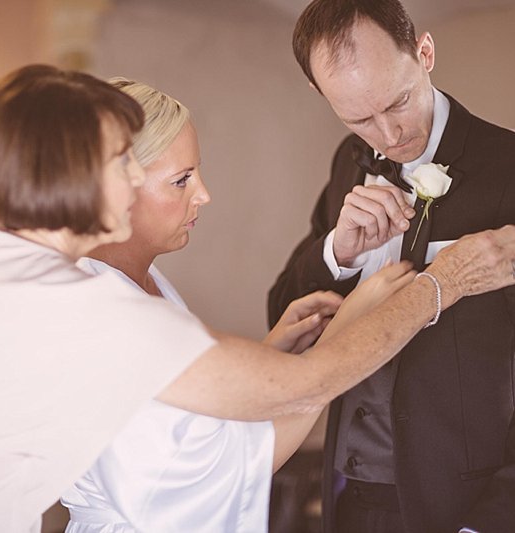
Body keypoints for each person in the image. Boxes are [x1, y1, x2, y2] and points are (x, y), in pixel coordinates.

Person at [0, 64, 515, 533]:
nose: (138, 182)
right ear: (78, 174)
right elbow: (307, 386)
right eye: (122, 164)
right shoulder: (90, 307)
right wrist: (444, 281)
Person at [268, 1, 515, 532]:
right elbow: (282, 316)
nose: (388, 135)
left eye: (399, 102)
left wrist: (496, 523)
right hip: (346, 503)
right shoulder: (349, 160)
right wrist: (336, 253)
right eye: (360, 118)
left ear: (425, 53)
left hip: (466, 511)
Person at [62, 78, 344, 531]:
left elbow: (190, 411)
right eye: (181, 180)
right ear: (116, 190)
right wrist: (346, 350)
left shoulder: (148, 282)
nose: (204, 194)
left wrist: (275, 351)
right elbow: (218, 470)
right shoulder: (99, 308)